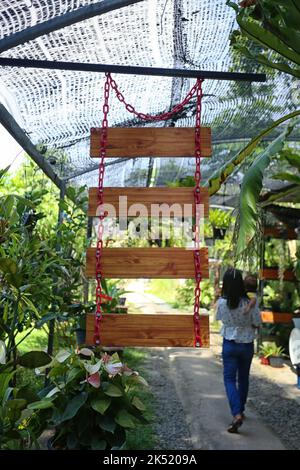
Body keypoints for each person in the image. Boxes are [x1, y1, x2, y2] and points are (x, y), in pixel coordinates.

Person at [216, 268, 261, 433]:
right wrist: (249, 312)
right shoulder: (250, 302)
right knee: (243, 378)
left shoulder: (222, 302)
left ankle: (236, 414)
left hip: (229, 344)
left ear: (225, 284)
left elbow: (220, 319)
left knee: (229, 379)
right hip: (247, 344)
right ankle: (240, 410)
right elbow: (257, 323)